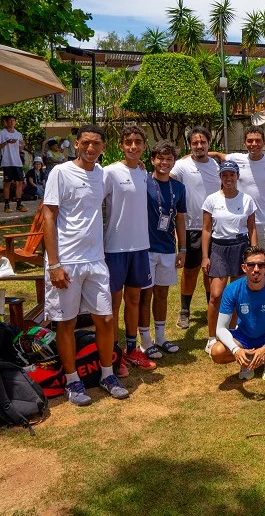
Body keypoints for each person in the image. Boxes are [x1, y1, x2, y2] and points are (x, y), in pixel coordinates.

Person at [43, 124, 128, 405]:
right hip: (66, 261)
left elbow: (130, 171)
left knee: (105, 319)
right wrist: (54, 264)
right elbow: (48, 216)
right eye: (86, 143)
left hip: (96, 260)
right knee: (66, 323)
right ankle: (72, 381)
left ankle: (107, 375)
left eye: (96, 143)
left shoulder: (103, 174)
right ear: (76, 144)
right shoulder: (60, 173)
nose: (91, 148)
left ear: (103, 147)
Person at [103, 124, 155, 372]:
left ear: (144, 146)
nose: (133, 146)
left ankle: (132, 350)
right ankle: (115, 355)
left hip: (140, 246)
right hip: (115, 248)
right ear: (121, 145)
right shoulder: (110, 173)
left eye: (138, 142)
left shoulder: (143, 173)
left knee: (134, 299)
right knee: (114, 303)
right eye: (128, 142)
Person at [211, 246, 265, 381]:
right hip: (244, 336)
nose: (256, 269)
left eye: (261, 265)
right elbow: (220, 328)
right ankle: (247, 359)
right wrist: (235, 350)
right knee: (217, 353)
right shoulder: (232, 289)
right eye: (251, 265)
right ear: (244, 267)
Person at [202, 160, 258, 354]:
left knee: (237, 295)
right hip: (219, 248)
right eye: (224, 175)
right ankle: (211, 337)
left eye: (231, 175)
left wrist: (254, 254)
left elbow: (252, 228)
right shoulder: (211, 200)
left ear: (237, 176)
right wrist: (205, 256)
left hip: (241, 247)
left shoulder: (247, 200)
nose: (228, 178)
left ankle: (232, 333)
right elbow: (206, 230)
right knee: (216, 295)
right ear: (220, 177)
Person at [138, 140, 188, 360]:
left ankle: (160, 337)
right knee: (145, 295)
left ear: (174, 162)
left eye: (169, 159)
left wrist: (182, 248)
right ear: (152, 160)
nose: (164, 163)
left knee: (162, 294)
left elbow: (180, 220)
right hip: (145, 248)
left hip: (167, 248)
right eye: (160, 158)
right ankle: (144, 341)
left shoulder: (179, 187)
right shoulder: (143, 181)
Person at [171, 126, 219, 329]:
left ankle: (211, 308)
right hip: (191, 228)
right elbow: (165, 177)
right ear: (190, 145)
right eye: (195, 143)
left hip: (216, 228)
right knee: (190, 271)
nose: (199, 146)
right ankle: (184, 311)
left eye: (203, 142)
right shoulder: (182, 166)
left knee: (211, 271)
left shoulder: (216, 166)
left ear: (209, 143)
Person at [213, 126, 265, 256]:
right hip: (240, 219)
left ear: (264, 143)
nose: (254, 144)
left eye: (258, 140)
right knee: (239, 259)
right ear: (244, 143)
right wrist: (190, 156)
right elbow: (218, 155)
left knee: (263, 259)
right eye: (250, 141)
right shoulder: (236, 158)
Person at [0, 115, 27, 213]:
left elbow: (20, 149)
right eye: (10, 120)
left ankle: (19, 204)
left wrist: (23, 145)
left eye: (13, 120)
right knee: (7, 183)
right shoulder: (2, 133)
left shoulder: (18, 134)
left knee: (19, 183)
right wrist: (7, 142)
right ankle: (6, 205)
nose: (12, 122)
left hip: (17, 162)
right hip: (7, 162)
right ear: (7, 122)